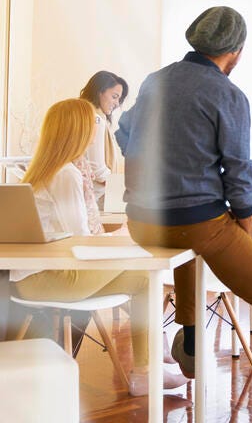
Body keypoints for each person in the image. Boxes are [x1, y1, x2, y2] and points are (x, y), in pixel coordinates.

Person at [117, 8, 252, 422]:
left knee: (188, 247)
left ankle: (189, 338)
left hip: (142, 223)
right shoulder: (227, 94)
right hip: (198, 224)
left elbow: (123, 133)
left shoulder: (154, 81)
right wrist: (245, 229)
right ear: (235, 51)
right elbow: (239, 176)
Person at [12, 98, 187, 397]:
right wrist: (122, 236)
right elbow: (82, 241)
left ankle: (147, 368)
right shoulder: (66, 174)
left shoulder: (44, 171)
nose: (94, 133)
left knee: (143, 279)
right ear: (76, 131)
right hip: (53, 278)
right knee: (141, 258)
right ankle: (149, 361)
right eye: (90, 127)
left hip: (34, 278)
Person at [79, 70, 129, 208]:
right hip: (95, 197)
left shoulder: (82, 116)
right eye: (114, 97)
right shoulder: (96, 120)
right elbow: (98, 169)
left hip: (83, 195)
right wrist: (121, 185)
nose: (117, 103)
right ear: (99, 92)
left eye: (119, 99)